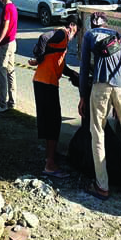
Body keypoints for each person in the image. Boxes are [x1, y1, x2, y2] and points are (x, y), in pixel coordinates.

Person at [79, 15, 121, 200]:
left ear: (92, 24)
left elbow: (84, 67)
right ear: (105, 23)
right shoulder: (117, 35)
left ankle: (102, 186)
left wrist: (82, 96)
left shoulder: (89, 35)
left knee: (97, 134)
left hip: (100, 86)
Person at [29, 18, 79, 177]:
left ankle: (50, 159)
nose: (75, 36)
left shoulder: (61, 41)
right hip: (46, 83)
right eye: (76, 31)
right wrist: (39, 57)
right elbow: (43, 38)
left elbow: (59, 62)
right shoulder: (62, 33)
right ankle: (50, 165)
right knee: (53, 123)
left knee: (51, 122)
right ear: (72, 26)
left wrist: (72, 74)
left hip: (44, 82)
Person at [0, 0, 18, 111]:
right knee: (10, 72)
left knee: (1, 73)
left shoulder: (7, 8)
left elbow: (6, 27)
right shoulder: (13, 7)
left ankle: (2, 103)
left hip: (6, 45)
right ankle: (12, 101)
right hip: (12, 42)